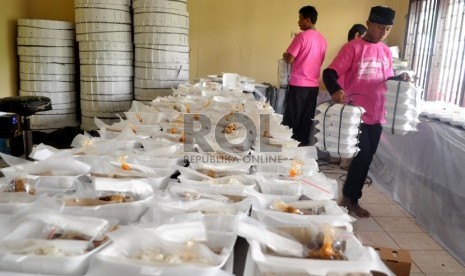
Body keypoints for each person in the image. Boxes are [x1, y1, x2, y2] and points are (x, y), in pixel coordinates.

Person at [322, 6, 411, 218]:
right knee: (361, 157)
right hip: (357, 114)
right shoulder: (352, 48)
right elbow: (329, 73)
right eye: (380, 27)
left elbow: (386, 78)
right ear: (369, 23)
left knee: (367, 157)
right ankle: (350, 199)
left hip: (378, 114)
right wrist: (336, 90)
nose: (384, 32)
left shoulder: (385, 52)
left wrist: (401, 78)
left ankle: (350, 198)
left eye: (388, 29)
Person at [282, 5, 327, 147]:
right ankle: (302, 147)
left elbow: (290, 58)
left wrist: (285, 55)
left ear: (308, 20)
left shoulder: (301, 37)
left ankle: (289, 145)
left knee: (292, 117)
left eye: (300, 19)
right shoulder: (322, 39)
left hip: (298, 84)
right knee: (307, 117)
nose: (298, 22)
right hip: (313, 85)